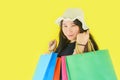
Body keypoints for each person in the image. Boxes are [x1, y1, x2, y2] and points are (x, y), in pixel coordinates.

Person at [48, 8, 99, 79]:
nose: (68, 30)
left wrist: (80, 45)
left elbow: (75, 72)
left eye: (73, 25)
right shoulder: (64, 45)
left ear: (81, 27)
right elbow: (55, 71)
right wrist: (52, 52)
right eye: (65, 26)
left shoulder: (87, 45)